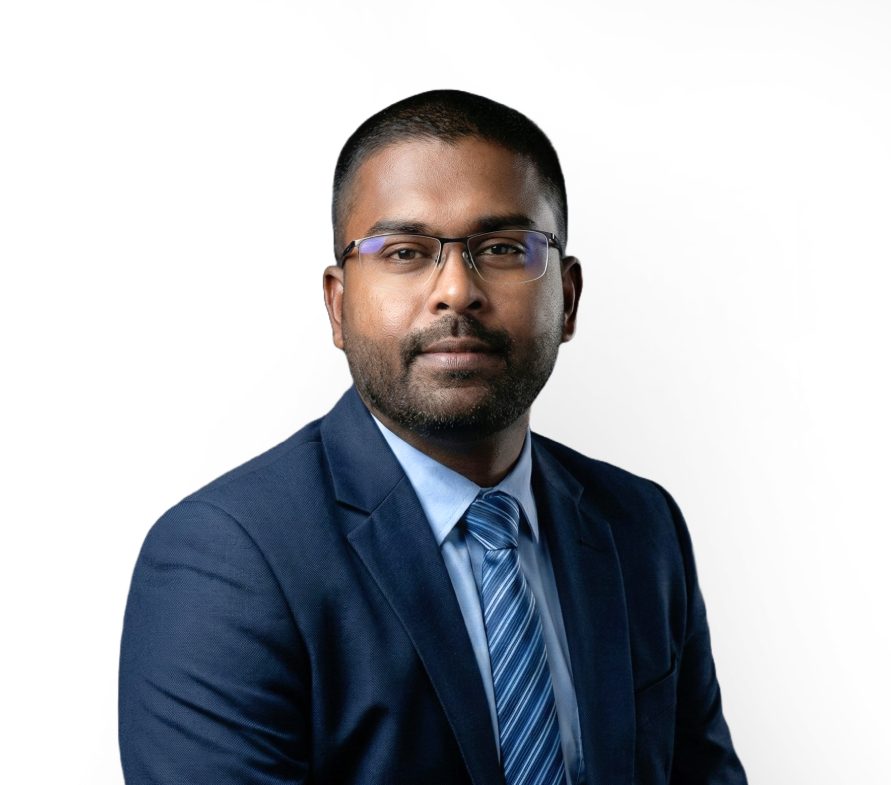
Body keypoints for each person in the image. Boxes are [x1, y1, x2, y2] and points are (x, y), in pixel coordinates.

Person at [119, 89, 747, 785]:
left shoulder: (640, 525)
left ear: (567, 298)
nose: (455, 290)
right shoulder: (224, 561)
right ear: (337, 306)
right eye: (404, 251)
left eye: (502, 248)